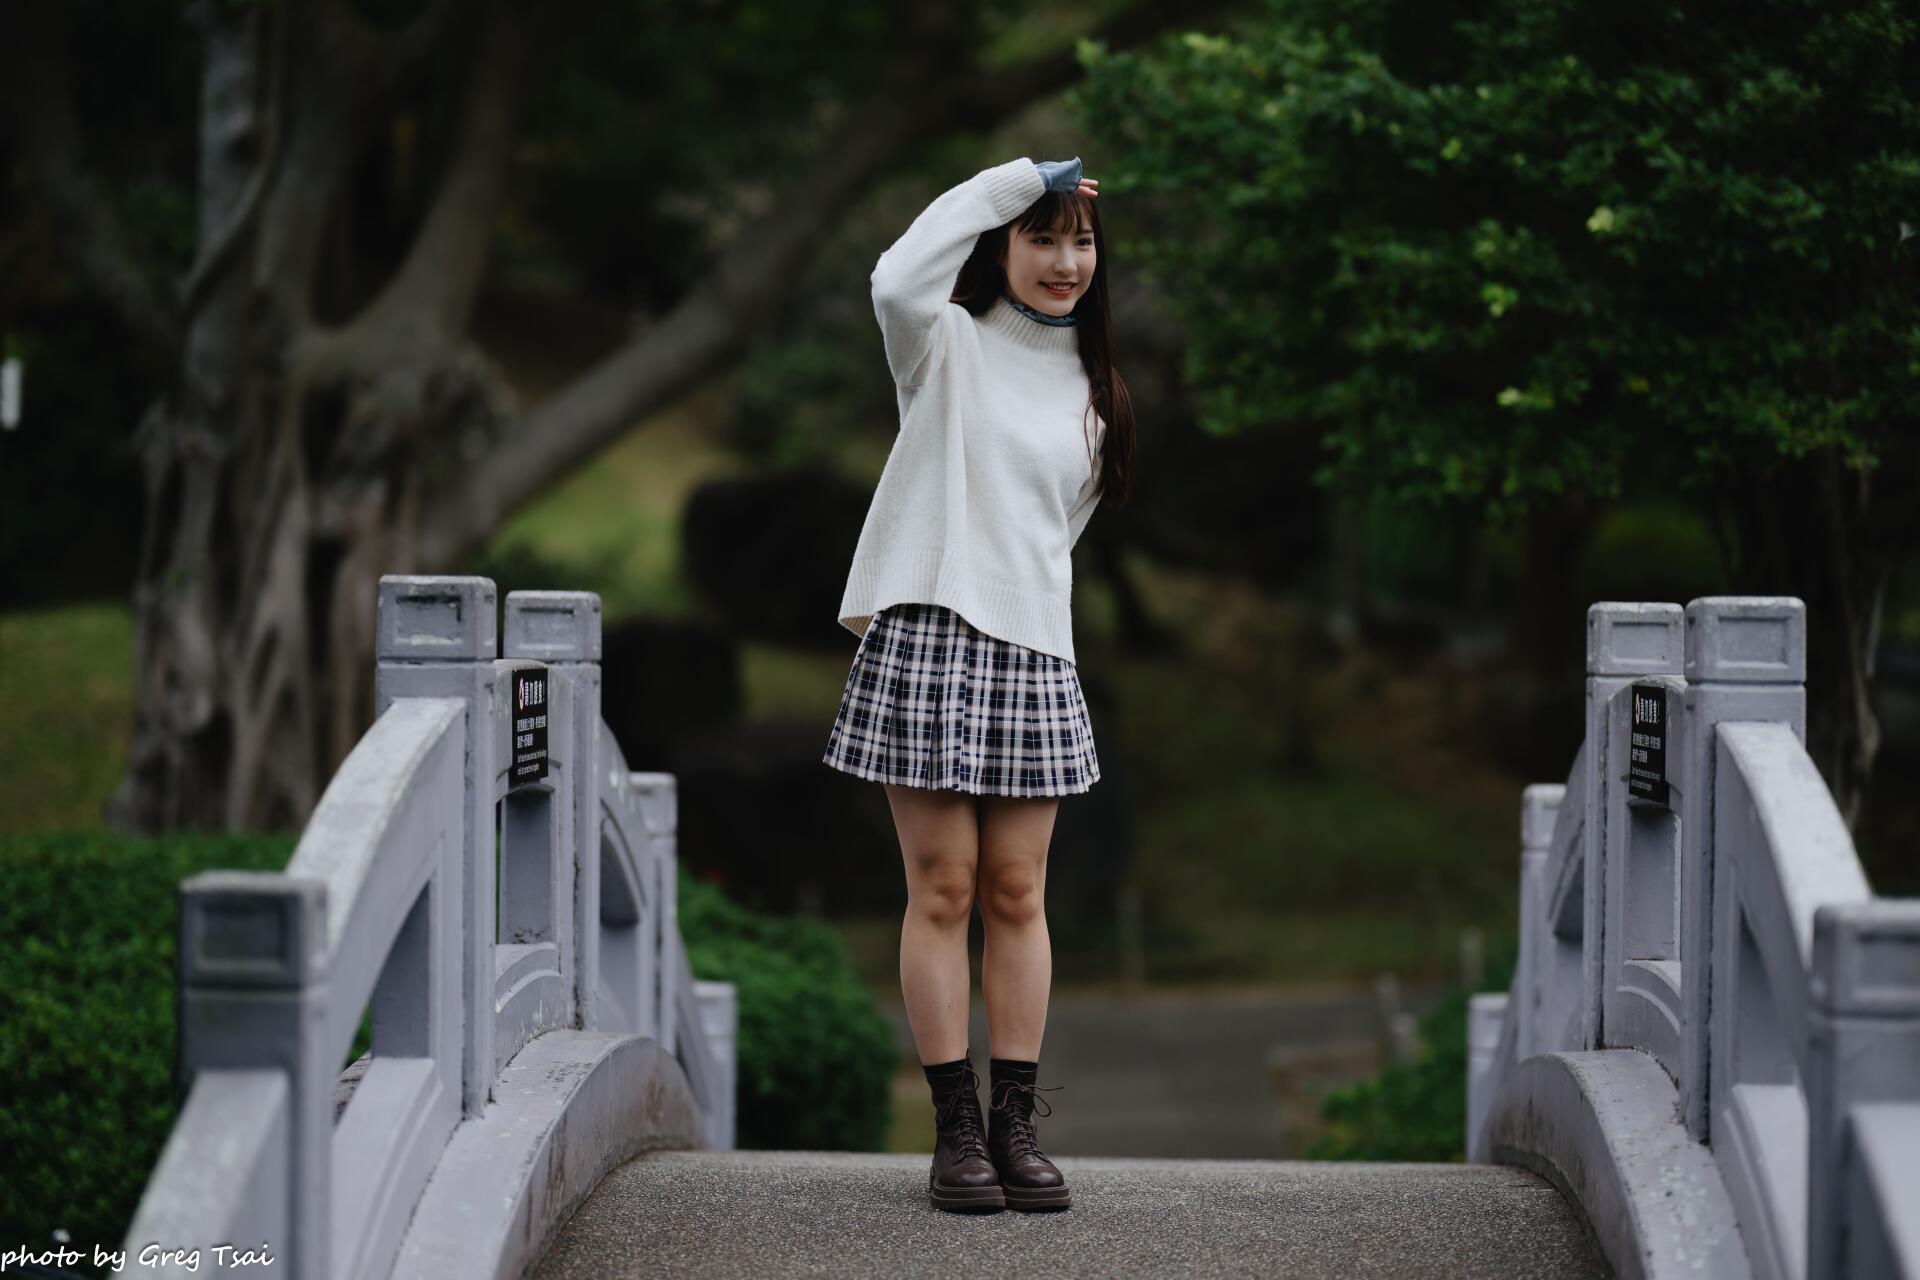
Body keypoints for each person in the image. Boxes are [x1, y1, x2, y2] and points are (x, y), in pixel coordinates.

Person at [821, 154, 1136, 1214]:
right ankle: (953, 1127)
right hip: (930, 629)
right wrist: (1019, 178)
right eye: (1042, 237)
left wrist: (1043, 647)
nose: (1064, 261)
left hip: (1034, 650)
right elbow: (896, 276)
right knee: (944, 885)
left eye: (1080, 241)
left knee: (1017, 892)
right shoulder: (945, 344)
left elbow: (1051, 542)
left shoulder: (1099, 397)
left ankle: (1016, 1122)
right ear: (1003, 244)